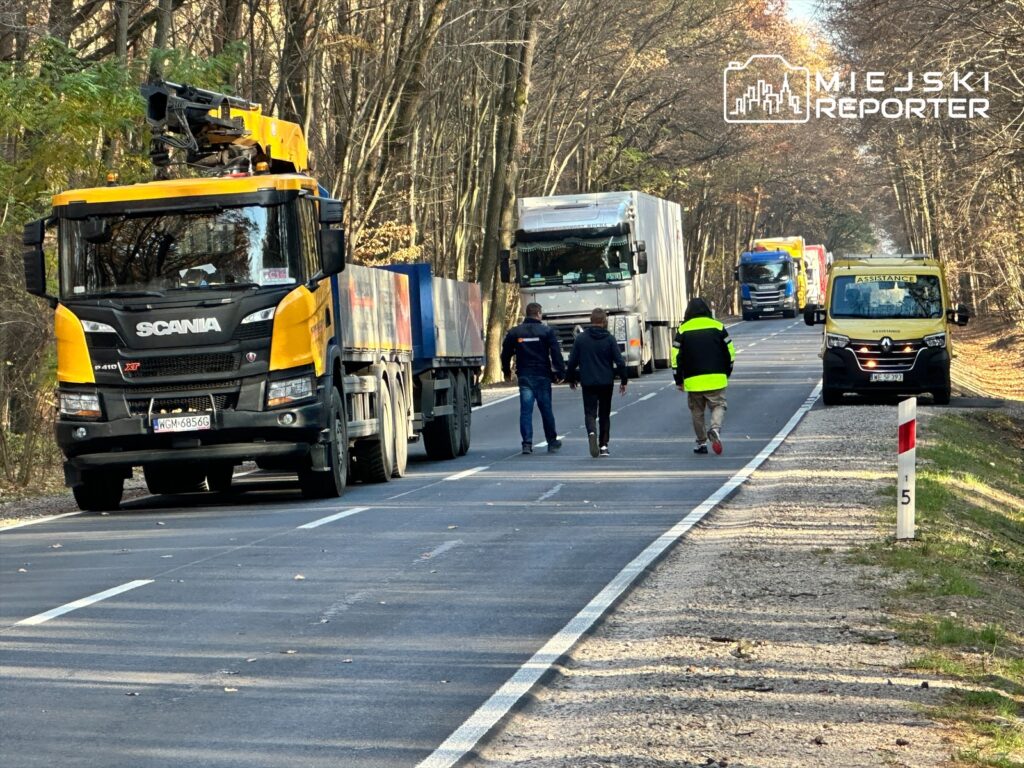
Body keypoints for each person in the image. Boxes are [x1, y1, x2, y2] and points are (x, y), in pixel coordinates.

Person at [672, 297, 736, 455]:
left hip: (693, 380)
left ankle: (701, 443)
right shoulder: (718, 326)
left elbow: (675, 356)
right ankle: (715, 428)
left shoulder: (683, 330)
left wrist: (678, 379)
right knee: (719, 405)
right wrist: (727, 371)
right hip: (717, 377)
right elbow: (730, 352)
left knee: (697, 411)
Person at [501, 302, 566, 454]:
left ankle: (527, 443)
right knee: (546, 409)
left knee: (526, 411)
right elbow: (555, 353)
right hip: (542, 374)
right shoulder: (546, 331)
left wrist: (506, 371)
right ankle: (552, 441)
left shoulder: (515, 332)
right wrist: (560, 373)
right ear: (538, 314)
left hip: (524, 375)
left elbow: (505, 354)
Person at [566, 308, 628, 457]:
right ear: (604, 321)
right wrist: (624, 380)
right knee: (605, 413)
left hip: (588, 381)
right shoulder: (609, 339)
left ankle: (592, 432)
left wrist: (571, 378)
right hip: (606, 382)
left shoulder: (581, 339)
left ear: (590, 320)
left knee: (590, 412)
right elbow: (619, 362)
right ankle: (604, 445)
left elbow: (572, 361)